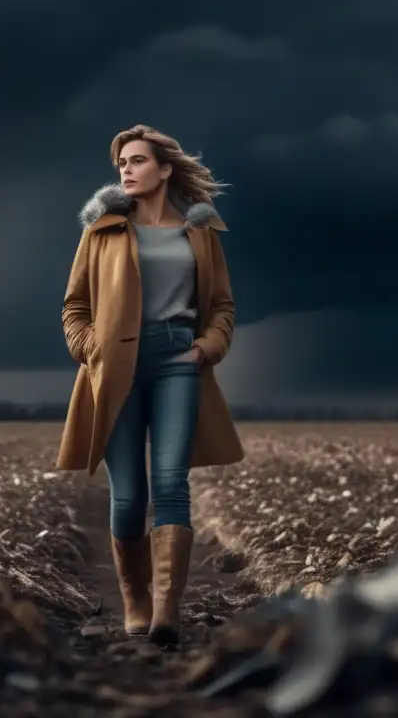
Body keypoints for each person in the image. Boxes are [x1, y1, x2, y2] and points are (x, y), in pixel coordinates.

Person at [56, 124, 245, 646]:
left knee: (170, 484)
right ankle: (135, 602)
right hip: (115, 365)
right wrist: (91, 348)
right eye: (122, 163)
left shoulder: (201, 231)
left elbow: (224, 306)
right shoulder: (102, 231)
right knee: (129, 494)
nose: (126, 169)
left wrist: (208, 347)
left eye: (137, 160)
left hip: (178, 360)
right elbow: (75, 307)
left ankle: (166, 610)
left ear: (164, 169)